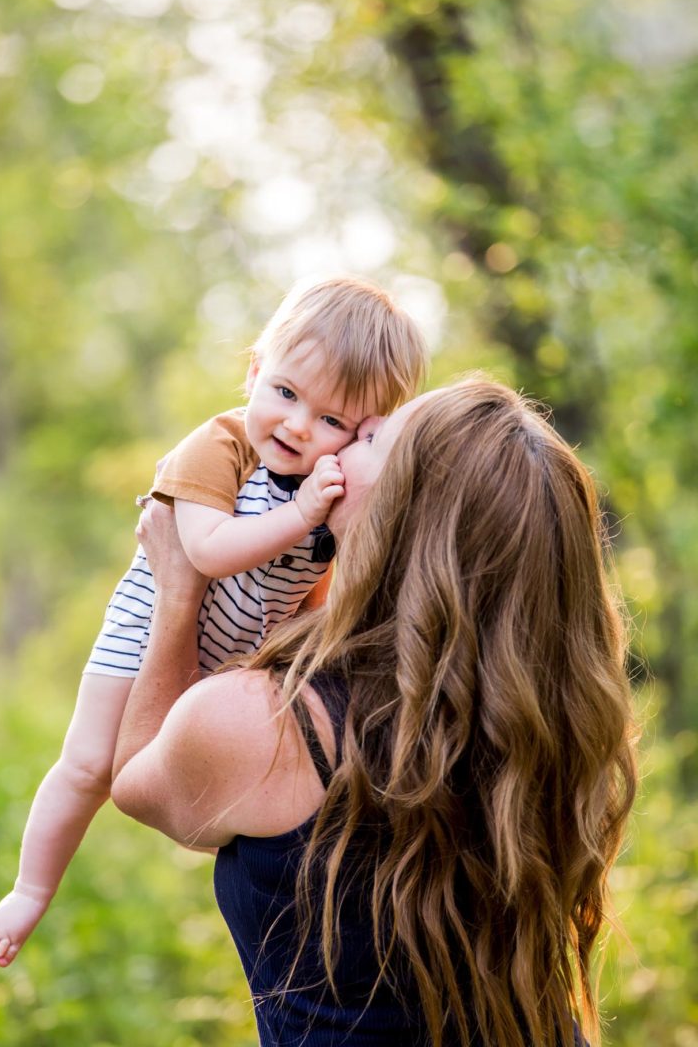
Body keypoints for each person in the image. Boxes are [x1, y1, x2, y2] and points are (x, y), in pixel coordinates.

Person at [110, 377, 638, 1047]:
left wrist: (178, 593)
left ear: (400, 510)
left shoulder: (265, 723)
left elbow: (134, 778)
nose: (341, 435)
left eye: (368, 438)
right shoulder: (540, 719)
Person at [0, 276, 428, 968]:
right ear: (254, 371)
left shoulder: (329, 487)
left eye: (333, 421)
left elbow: (311, 588)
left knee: (199, 767)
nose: (298, 426)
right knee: (91, 765)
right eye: (284, 393)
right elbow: (206, 553)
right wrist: (304, 513)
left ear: (365, 430)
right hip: (146, 628)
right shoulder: (220, 448)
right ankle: (31, 889)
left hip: (233, 653)